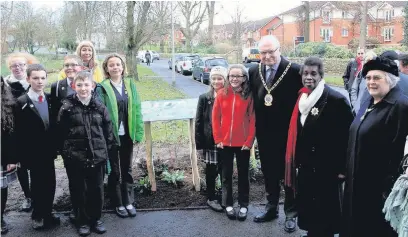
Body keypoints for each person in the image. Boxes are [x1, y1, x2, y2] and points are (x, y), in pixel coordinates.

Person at [286, 57, 353, 237]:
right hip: (308, 166)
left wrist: (343, 169)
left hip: (327, 168)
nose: (309, 77)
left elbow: (348, 137)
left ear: (321, 75)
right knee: (310, 209)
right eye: (306, 73)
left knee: (325, 213)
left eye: (313, 73)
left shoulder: (335, 99)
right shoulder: (303, 98)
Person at [341, 57, 408, 237]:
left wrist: (389, 187)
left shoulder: (401, 106)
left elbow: (400, 152)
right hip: (355, 183)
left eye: (377, 78)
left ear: (390, 79)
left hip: (378, 189)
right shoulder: (368, 101)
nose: (371, 82)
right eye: (368, 77)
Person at [249, 35, 302, 232]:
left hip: (289, 134)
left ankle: (291, 213)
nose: (267, 55)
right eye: (263, 52)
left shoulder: (295, 70)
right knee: (269, 173)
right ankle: (271, 208)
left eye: (271, 51)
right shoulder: (254, 71)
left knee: (289, 175)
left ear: (279, 49)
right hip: (264, 133)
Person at [57, 71, 117, 236]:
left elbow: (108, 131)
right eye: (80, 85)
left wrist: (105, 151)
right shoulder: (67, 108)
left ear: (93, 86)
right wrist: (66, 153)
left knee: (96, 189)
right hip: (75, 158)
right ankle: (81, 221)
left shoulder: (100, 107)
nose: (83, 88)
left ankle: (96, 219)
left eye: (86, 84)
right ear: (74, 86)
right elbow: (60, 133)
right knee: (78, 190)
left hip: (97, 157)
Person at [97, 53, 144, 218]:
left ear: (123, 67)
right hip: (111, 137)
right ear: (106, 69)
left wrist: (138, 132)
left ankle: (128, 200)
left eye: (118, 64)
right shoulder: (102, 88)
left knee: (127, 169)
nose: (115, 67)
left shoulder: (130, 85)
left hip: (127, 136)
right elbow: (99, 114)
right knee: (114, 171)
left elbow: (137, 109)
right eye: (111, 65)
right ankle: (117, 202)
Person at [14, 64, 60, 230]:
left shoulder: (50, 99)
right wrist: (18, 156)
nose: (39, 81)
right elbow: (17, 132)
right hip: (32, 153)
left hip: (49, 151)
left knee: (51, 182)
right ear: (28, 79)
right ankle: (38, 214)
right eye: (35, 78)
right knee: (38, 184)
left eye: (42, 78)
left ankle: (48, 211)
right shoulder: (21, 103)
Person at [212, 64, 255, 221]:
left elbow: (252, 120)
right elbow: (215, 118)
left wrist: (249, 141)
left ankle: (244, 205)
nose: (234, 79)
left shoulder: (248, 96)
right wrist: (218, 139)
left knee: (244, 175)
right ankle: (228, 204)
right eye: (231, 76)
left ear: (244, 78)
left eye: (238, 76)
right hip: (225, 144)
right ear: (228, 78)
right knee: (226, 175)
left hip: (243, 143)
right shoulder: (222, 94)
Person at [51, 55, 84, 223]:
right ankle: (76, 210)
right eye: (66, 65)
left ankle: (90, 211)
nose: (70, 67)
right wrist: (58, 144)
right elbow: (54, 117)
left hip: (87, 141)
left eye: (73, 64)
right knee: (74, 178)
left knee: (89, 178)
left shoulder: (89, 83)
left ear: (81, 67)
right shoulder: (57, 87)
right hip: (68, 143)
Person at [3, 52, 38, 212]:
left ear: (27, 65)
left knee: (37, 165)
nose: (17, 68)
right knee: (21, 166)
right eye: (14, 65)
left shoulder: (34, 81)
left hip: (34, 130)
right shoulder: (6, 84)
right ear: (9, 67)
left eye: (21, 65)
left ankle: (39, 196)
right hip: (15, 131)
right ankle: (28, 196)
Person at [195, 66, 227, 212]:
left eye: (220, 78)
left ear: (225, 80)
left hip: (227, 141)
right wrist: (199, 144)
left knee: (225, 170)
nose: (216, 81)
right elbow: (199, 121)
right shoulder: (204, 98)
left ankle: (226, 198)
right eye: (214, 78)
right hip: (211, 140)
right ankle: (211, 197)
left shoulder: (229, 96)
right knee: (211, 170)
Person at [1, 76, 18, 235]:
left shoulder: (8, 105)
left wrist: (12, 159)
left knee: (1, 188)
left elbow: (11, 135)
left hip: (2, 155)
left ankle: (0, 217)